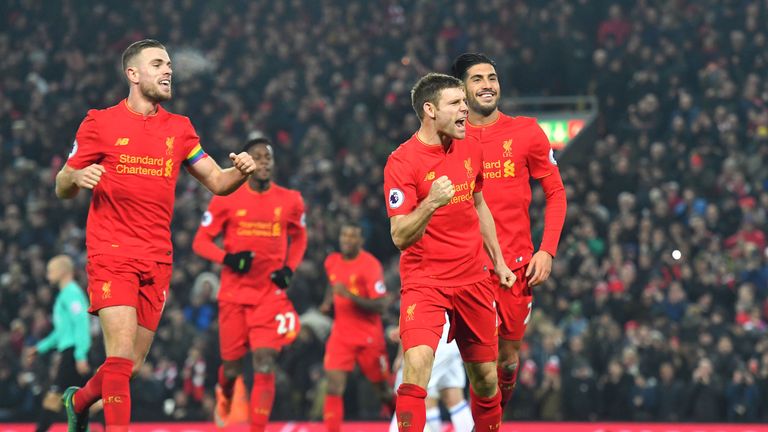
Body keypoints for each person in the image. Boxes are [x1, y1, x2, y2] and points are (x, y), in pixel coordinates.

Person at [55, 39, 257, 432]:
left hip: (158, 257)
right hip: (111, 252)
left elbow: (216, 180)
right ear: (133, 74)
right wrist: (77, 177)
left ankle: (78, 401)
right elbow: (61, 183)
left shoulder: (179, 129)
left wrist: (242, 172)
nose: (169, 70)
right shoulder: (99, 122)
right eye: (158, 63)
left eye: (169, 64)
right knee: (117, 361)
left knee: (128, 368)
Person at [383, 72, 515, 432]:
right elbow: (400, 236)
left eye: (464, 101)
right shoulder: (402, 162)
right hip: (426, 281)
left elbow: (479, 204)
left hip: (474, 278)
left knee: (486, 381)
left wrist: (499, 261)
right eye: (456, 103)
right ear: (430, 110)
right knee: (416, 370)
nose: (465, 108)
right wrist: (429, 204)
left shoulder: (471, 146)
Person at [452, 53, 567, 410]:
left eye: (492, 77)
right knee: (480, 366)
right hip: (468, 269)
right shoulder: (448, 136)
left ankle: (496, 406)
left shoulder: (526, 132)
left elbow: (556, 194)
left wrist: (546, 250)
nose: (487, 85)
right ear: (461, 89)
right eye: (477, 79)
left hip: (516, 267)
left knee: (506, 360)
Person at [192, 136, 307, 431]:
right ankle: (225, 393)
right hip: (233, 295)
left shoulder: (290, 199)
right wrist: (228, 259)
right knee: (231, 369)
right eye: (257, 156)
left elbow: (300, 236)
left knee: (265, 362)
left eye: (268, 157)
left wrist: (289, 269)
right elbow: (200, 242)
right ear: (245, 161)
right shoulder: (226, 197)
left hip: (270, 296)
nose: (264, 161)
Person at [320, 222, 393, 432]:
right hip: (341, 335)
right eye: (344, 234)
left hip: (369, 337)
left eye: (352, 236)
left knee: (382, 391)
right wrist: (328, 302)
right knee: (333, 387)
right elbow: (333, 283)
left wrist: (349, 296)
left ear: (361, 241)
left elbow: (380, 305)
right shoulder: (332, 261)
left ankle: (403, 421)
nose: (346, 240)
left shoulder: (370, 266)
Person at [27, 255, 91, 432]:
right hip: (70, 351)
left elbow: (81, 324)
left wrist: (80, 355)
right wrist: (40, 348)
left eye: (50, 271)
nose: (47, 275)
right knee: (80, 400)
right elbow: (60, 333)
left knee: (55, 396)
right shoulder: (65, 295)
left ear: (63, 271)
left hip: (73, 353)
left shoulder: (72, 294)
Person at [388, 319, 474, 432]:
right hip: (452, 338)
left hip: (433, 340)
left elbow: (410, 310)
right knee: (453, 397)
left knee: (410, 391)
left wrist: (400, 353)